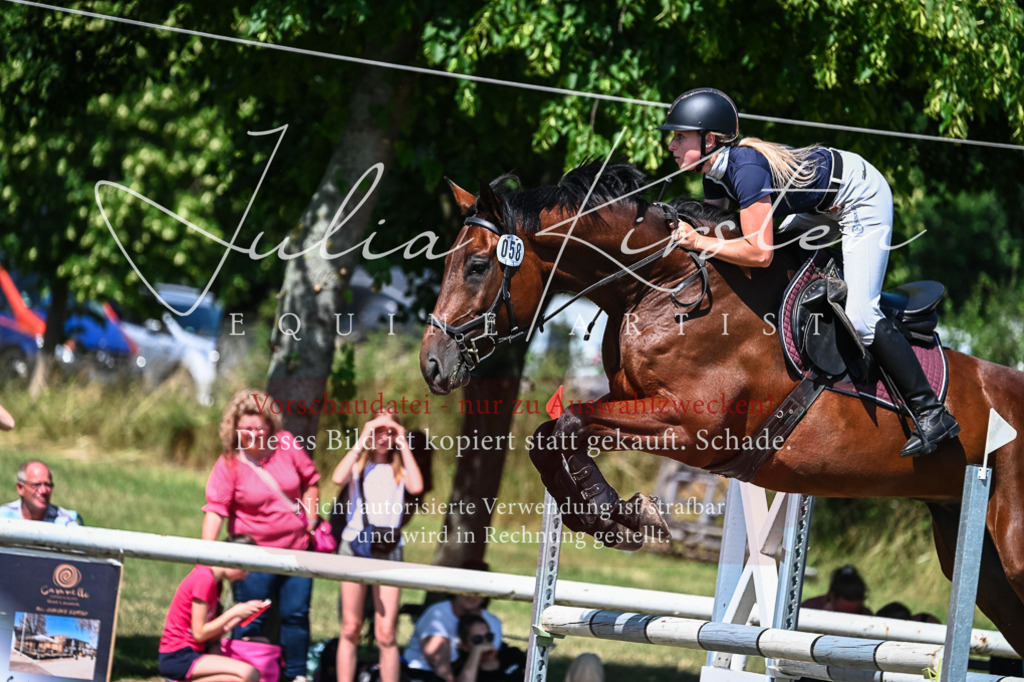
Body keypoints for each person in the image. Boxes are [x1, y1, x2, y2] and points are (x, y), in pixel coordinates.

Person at [659, 87, 960, 457]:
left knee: (863, 317)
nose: (670, 145)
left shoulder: (746, 169)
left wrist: (697, 242)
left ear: (709, 140)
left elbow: (758, 253)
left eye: (679, 136)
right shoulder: (714, 173)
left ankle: (931, 412)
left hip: (857, 197)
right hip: (818, 208)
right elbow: (721, 233)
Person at [201, 388, 322, 682]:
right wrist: (205, 554)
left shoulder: (286, 445)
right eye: (246, 429)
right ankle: (246, 672)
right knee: (250, 617)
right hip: (253, 557)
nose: (253, 434)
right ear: (235, 428)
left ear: (270, 425)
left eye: (258, 428)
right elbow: (216, 508)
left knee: (296, 615)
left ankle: (296, 675)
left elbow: (311, 480)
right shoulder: (230, 463)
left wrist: (311, 515)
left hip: (297, 551)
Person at [331, 411, 423, 682]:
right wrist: (365, 435)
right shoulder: (359, 466)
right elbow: (337, 478)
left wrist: (402, 441)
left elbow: (417, 487)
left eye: (389, 432)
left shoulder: (400, 469)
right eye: (378, 431)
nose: (383, 437)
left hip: (388, 549)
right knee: (350, 628)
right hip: (354, 545)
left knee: (387, 632)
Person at [157, 534, 264, 682]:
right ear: (232, 559)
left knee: (245, 675)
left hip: (196, 651)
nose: (246, 575)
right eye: (245, 568)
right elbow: (199, 633)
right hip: (179, 655)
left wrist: (239, 617)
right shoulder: (204, 578)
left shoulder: (216, 583)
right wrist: (234, 611)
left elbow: (210, 636)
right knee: (249, 674)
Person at [403, 595, 504, 682]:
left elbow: (491, 664)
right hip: (424, 674)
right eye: (477, 639)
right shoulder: (439, 614)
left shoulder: (492, 621)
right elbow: (440, 664)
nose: (472, 595)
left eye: (490, 637)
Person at [0, 459, 82, 525]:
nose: (43, 491)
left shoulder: (66, 522)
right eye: (36, 485)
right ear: (20, 488)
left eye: (47, 485)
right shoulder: (3, 517)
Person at [452, 615, 525, 682]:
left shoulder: (512, 654)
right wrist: (477, 651)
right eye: (478, 639)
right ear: (465, 646)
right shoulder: (464, 671)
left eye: (489, 636)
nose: (485, 642)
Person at [801, 565, 872, 615]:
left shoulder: (867, 616)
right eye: (843, 613)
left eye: (854, 613)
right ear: (832, 596)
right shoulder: (809, 609)